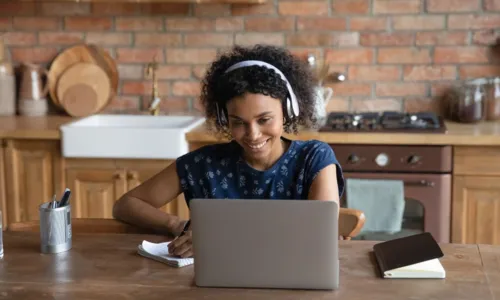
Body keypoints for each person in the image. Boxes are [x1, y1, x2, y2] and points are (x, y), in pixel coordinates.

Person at [112, 44, 345, 258]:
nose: (253, 134)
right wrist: (180, 226)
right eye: (238, 122)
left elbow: (319, 231)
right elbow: (126, 205)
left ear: (288, 110)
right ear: (224, 119)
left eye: (264, 119)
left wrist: (220, 238)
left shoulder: (315, 158)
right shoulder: (203, 163)